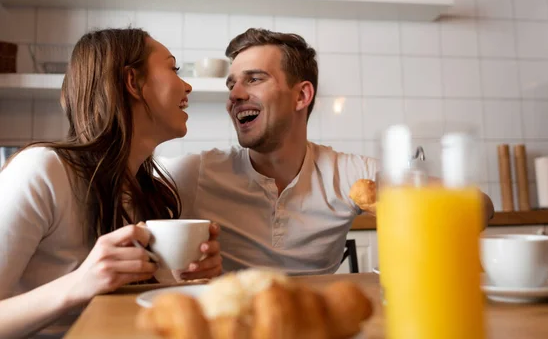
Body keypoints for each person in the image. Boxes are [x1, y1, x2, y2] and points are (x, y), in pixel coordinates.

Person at [163, 28, 494, 276]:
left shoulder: (347, 173)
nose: (234, 94)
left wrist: (412, 208)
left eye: (254, 79)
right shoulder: (198, 172)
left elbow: (478, 204)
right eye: (231, 84)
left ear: (301, 96)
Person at [0, 28, 222, 339]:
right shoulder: (41, 170)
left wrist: (185, 276)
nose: (187, 85)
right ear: (133, 82)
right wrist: (80, 282)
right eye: (173, 68)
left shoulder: (148, 191)